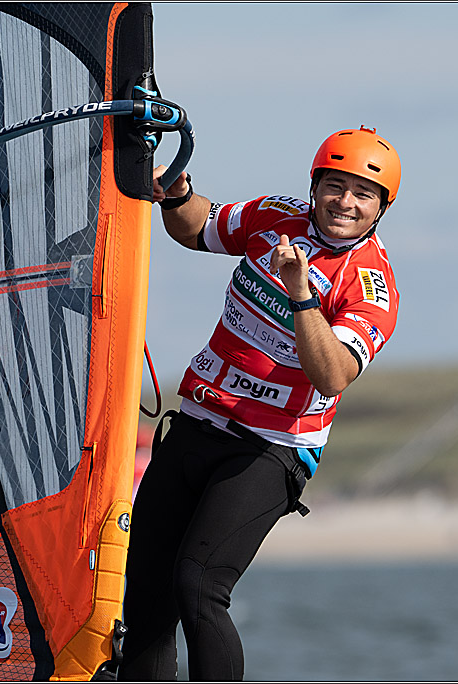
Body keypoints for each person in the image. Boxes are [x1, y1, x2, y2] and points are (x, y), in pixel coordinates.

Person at [118, 126, 401, 681]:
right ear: (315, 185)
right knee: (148, 584)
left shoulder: (372, 285)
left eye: (363, 195)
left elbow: (333, 375)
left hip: (270, 450)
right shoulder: (276, 215)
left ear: (381, 208)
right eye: (335, 186)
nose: (345, 202)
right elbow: (198, 226)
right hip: (201, 421)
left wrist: (301, 293)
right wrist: (175, 190)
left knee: (198, 585)